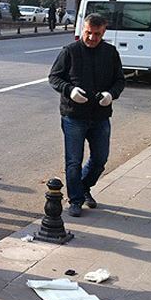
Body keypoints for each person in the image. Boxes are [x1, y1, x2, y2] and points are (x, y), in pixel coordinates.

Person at [48, 13, 125, 217]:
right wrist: (69, 90)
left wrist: (111, 94)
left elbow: (119, 80)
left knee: (100, 159)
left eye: (97, 34)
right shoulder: (70, 51)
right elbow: (54, 77)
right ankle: (75, 200)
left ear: (104, 32)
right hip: (74, 115)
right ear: (83, 29)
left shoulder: (110, 53)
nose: (92, 38)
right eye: (89, 33)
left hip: (100, 116)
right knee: (73, 161)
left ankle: (83, 187)